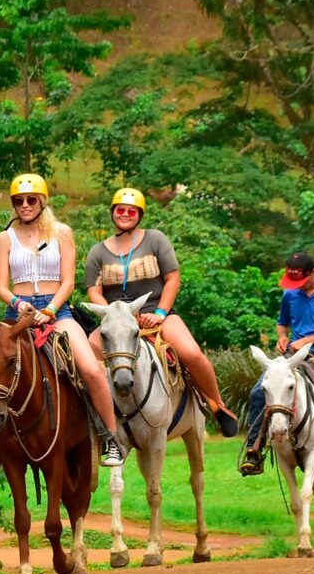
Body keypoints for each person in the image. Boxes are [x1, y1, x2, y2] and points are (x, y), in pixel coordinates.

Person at [0, 173, 124, 472]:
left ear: (42, 201)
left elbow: (68, 281)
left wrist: (49, 309)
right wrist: (18, 303)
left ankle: (110, 436)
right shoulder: (5, 238)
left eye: (31, 199)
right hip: (17, 316)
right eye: (19, 201)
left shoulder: (62, 233)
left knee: (90, 368)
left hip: (56, 311)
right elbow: (1, 286)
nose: (25, 205)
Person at [84, 187, 241, 438]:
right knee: (88, 351)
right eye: (120, 210)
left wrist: (159, 312)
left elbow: (173, 279)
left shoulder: (155, 239)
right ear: (113, 212)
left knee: (191, 352)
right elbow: (94, 291)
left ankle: (217, 406)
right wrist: (114, 316)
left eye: (131, 211)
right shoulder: (97, 251)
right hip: (117, 319)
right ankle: (96, 415)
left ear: (140, 215)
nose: (125, 214)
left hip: (156, 313)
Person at [239, 252, 314, 478]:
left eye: (301, 281)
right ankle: (254, 449)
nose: (297, 286)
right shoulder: (290, 294)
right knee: (257, 393)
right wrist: (282, 337)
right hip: (293, 357)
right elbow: (282, 323)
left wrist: (309, 340)